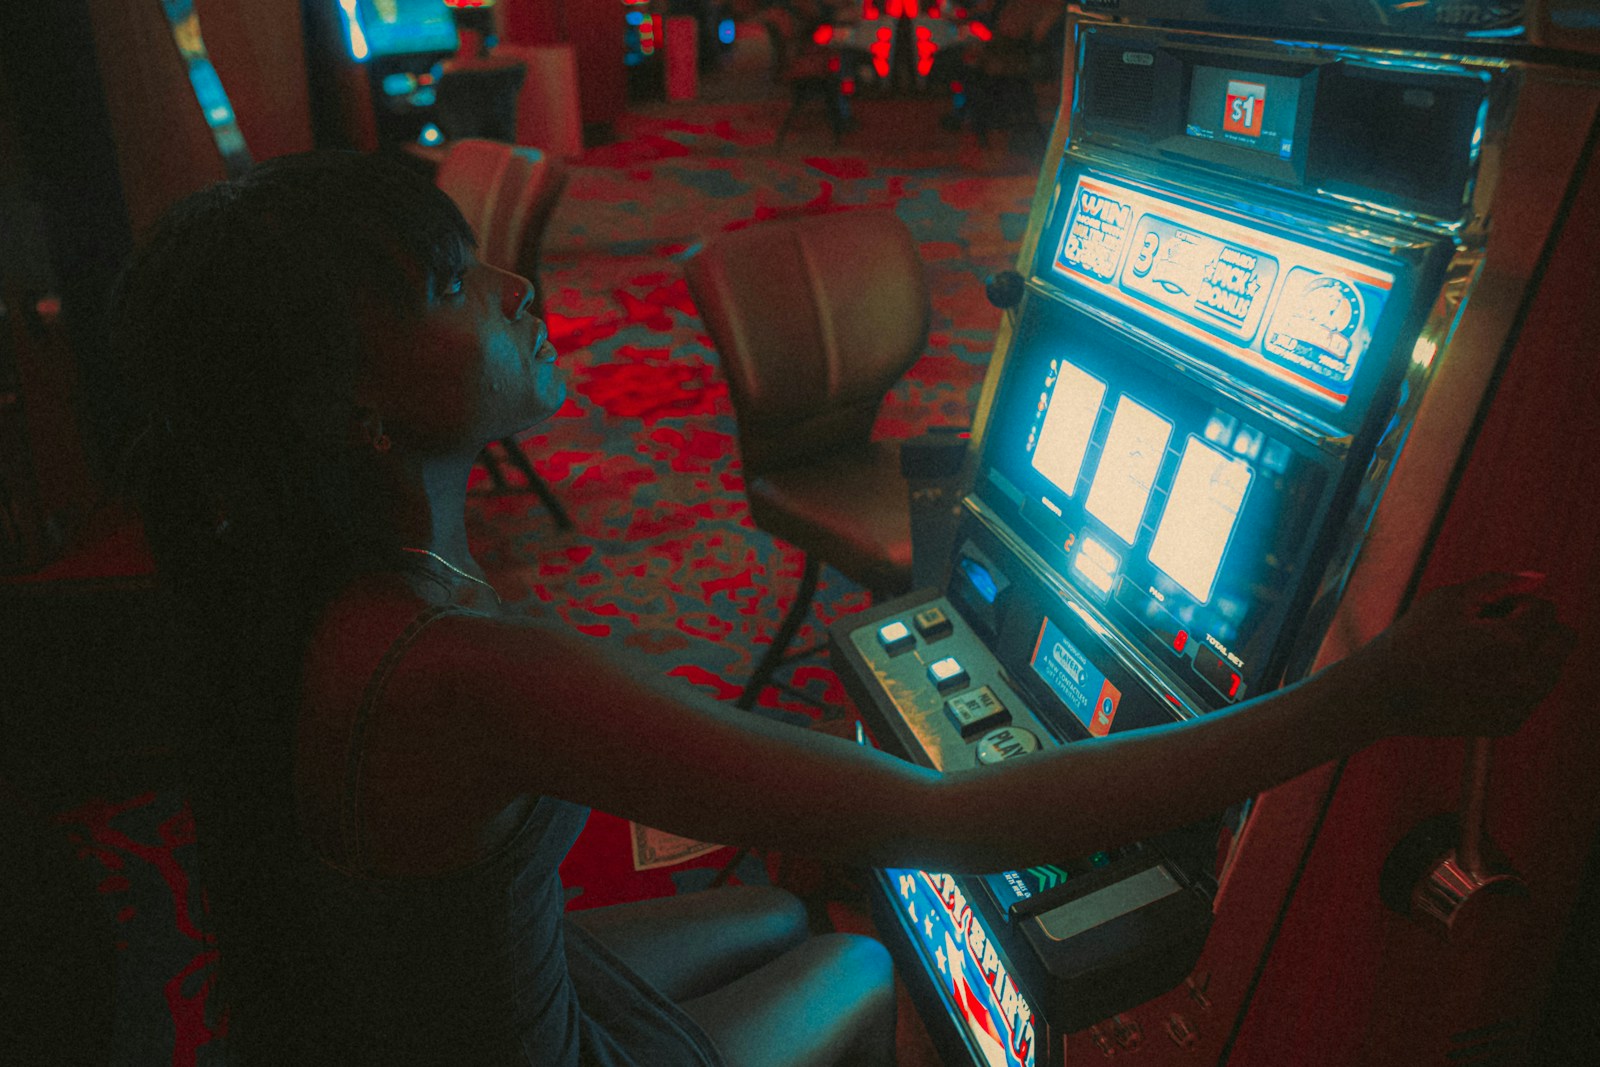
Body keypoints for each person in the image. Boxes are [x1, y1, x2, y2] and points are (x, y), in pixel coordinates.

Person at [109, 151, 1573, 1066]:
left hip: (428, 1017)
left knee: (771, 915)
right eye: (452, 281)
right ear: (354, 413)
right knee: (865, 955)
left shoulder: (316, 578)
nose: (516, 284)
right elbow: (948, 822)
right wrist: (1374, 691)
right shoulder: (467, 671)